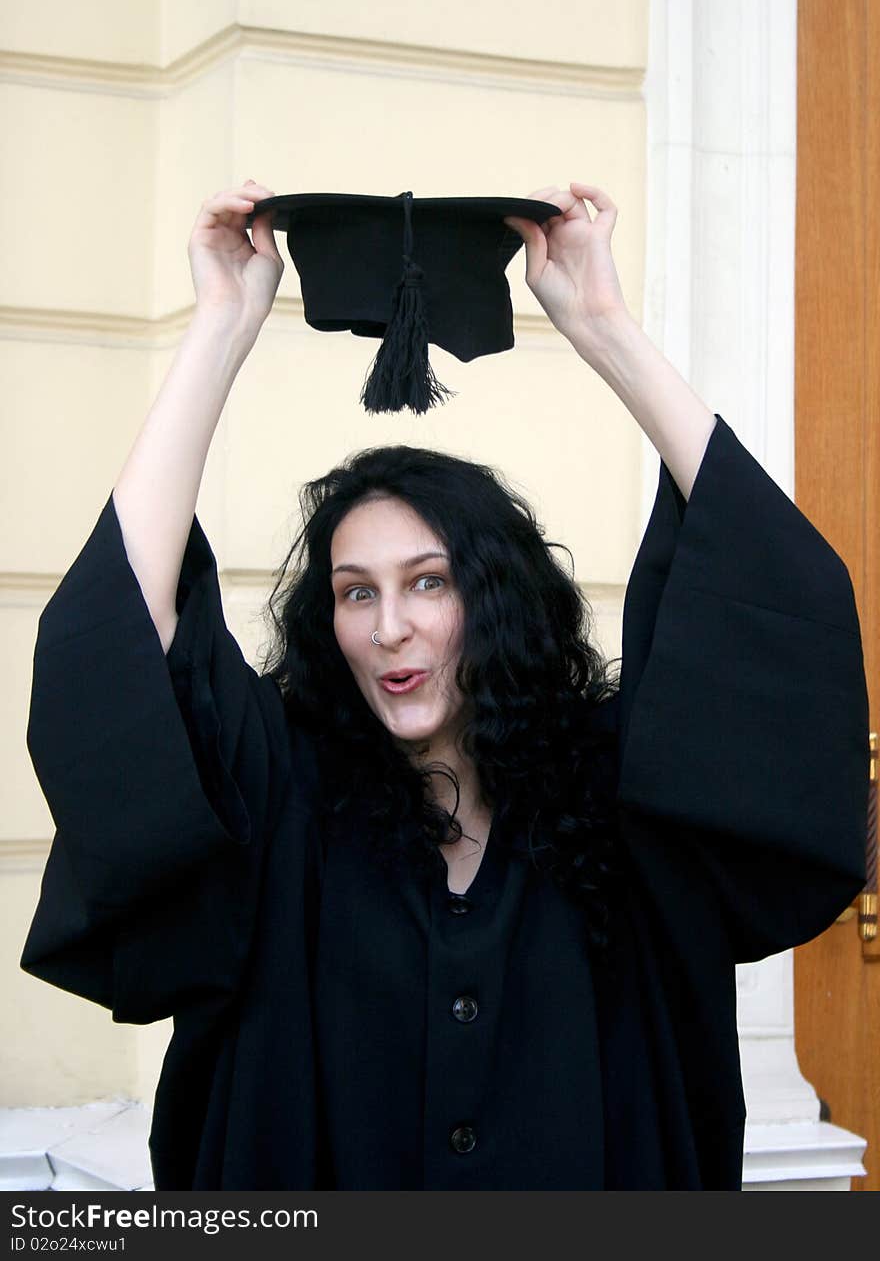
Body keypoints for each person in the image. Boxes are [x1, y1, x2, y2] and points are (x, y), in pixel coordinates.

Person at [21, 181, 868, 1191]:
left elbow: (779, 591)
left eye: (429, 581)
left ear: (495, 595)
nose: (389, 627)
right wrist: (220, 328)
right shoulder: (282, 796)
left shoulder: (617, 800)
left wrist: (605, 329)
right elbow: (117, 636)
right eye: (353, 591)